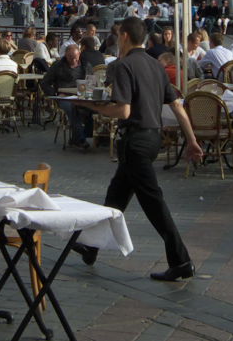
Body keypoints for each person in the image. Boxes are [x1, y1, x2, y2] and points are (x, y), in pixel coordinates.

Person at [70, 18, 202, 281]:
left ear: (126, 37)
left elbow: (123, 109)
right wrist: (192, 140)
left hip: (135, 140)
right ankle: (90, 248)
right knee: (115, 197)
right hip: (152, 138)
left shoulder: (123, 65)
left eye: (119, 35)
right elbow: (176, 105)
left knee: (153, 203)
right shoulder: (156, 64)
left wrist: (91, 106)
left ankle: (181, 261)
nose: (118, 39)